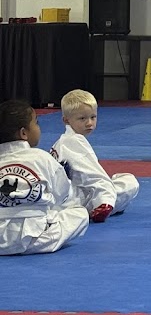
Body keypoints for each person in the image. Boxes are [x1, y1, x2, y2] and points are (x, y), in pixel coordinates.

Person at [0, 99, 89, 255]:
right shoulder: (42, 158)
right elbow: (62, 194)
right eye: (36, 123)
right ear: (24, 133)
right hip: (36, 239)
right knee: (79, 213)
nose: (39, 127)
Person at [50, 89, 139, 222]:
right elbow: (92, 176)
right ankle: (103, 205)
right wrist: (105, 202)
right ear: (66, 120)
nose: (89, 123)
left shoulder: (61, 142)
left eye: (93, 117)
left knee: (120, 180)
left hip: (60, 199)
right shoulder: (74, 141)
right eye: (82, 118)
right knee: (130, 182)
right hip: (75, 202)